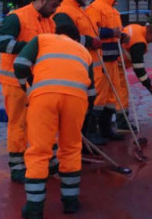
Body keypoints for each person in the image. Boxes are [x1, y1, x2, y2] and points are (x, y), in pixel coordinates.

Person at [13, 23, 95, 219]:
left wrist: (33, 86)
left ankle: (34, 208)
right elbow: (92, 93)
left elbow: (20, 65)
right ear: (75, 38)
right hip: (76, 99)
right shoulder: (84, 51)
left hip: (44, 98)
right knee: (71, 148)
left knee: (39, 150)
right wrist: (84, 114)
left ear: (57, 33)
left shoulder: (42, 39)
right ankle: (70, 202)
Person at [0, 0, 60, 182]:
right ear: (42, 0)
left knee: (44, 123)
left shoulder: (49, 21)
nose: (55, 9)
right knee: (19, 125)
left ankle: (49, 161)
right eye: (53, 5)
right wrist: (32, 48)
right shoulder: (17, 17)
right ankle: (17, 168)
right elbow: (2, 44)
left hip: (38, 82)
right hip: (15, 83)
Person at [53, 0, 106, 146]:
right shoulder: (64, 12)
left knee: (90, 101)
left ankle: (86, 136)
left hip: (89, 65)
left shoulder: (79, 10)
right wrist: (91, 42)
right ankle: (81, 139)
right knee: (82, 104)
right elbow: (68, 39)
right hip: (77, 67)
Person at [85, 0, 128, 141]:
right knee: (100, 96)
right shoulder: (94, 8)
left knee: (111, 96)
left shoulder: (114, 10)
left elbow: (118, 31)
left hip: (113, 58)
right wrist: (112, 33)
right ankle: (92, 130)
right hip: (101, 59)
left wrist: (122, 36)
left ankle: (106, 128)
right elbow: (93, 32)